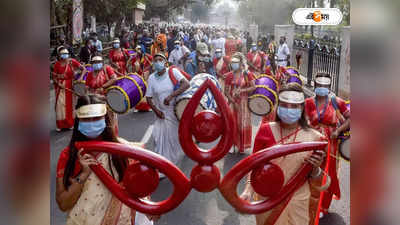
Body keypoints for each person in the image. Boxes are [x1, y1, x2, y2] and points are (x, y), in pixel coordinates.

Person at [55, 95, 160, 225]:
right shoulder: (69, 155)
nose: (92, 123)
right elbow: (63, 204)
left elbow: (136, 188)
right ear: (78, 120)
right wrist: (83, 175)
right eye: (86, 119)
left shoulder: (123, 150)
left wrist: (147, 207)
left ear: (105, 118)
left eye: (96, 118)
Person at [240, 84, 327, 225]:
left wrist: (316, 169)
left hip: (298, 202)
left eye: (294, 106)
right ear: (278, 106)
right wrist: (248, 190)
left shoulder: (316, 138)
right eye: (285, 105)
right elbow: (253, 166)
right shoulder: (265, 131)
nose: (289, 109)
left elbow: (322, 183)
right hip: (267, 201)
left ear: (302, 108)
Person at [304, 73, 350, 218]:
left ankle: (323, 206)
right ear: (315, 85)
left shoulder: (337, 102)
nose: (322, 88)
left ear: (329, 86)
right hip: (311, 142)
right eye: (320, 85)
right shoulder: (308, 102)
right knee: (309, 171)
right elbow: (302, 121)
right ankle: (308, 201)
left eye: (325, 86)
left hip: (331, 143)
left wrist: (338, 131)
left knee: (328, 173)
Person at [145, 53, 190, 175]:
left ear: (165, 62)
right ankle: (162, 166)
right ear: (153, 64)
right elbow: (148, 98)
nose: (158, 62)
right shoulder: (152, 78)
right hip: (161, 114)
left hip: (174, 112)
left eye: (160, 60)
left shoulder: (173, 72)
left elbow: (186, 84)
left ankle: (171, 165)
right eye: (155, 60)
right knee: (157, 137)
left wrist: (171, 96)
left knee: (173, 140)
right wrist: (156, 111)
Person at [224, 53, 256, 154]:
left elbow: (253, 87)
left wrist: (242, 91)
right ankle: (232, 144)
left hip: (244, 103)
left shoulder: (247, 74)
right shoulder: (229, 75)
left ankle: (241, 146)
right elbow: (226, 91)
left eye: (236, 63)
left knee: (242, 124)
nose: (233, 65)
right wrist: (233, 102)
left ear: (241, 63)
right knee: (232, 124)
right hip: (233, 103)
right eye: (232, 63)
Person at [52, 48, 87, 131]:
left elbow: (84, 69)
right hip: (60, 88)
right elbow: (54, 77)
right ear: (59, 55)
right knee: (59, 106)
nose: (64, 55)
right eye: (62, 54)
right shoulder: (57, 64)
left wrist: (80, 78)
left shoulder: (72, 62)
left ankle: (70, 123)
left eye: (66, 53)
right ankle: (60, 125)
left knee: (70, 105)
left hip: (70, 85)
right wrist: (58, 83)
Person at [84, 56, 119, 134]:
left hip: (107, 99)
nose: (96, 64)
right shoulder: (89, 74)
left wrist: (103, 86)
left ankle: (112, 135)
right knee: (98, 120)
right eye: (94, 63)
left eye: (98, 62)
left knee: (109, 119)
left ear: (102, 63)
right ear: (92, 64)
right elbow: (86, 87)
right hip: (95, 100)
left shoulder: (107, 69)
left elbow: (114, 78)